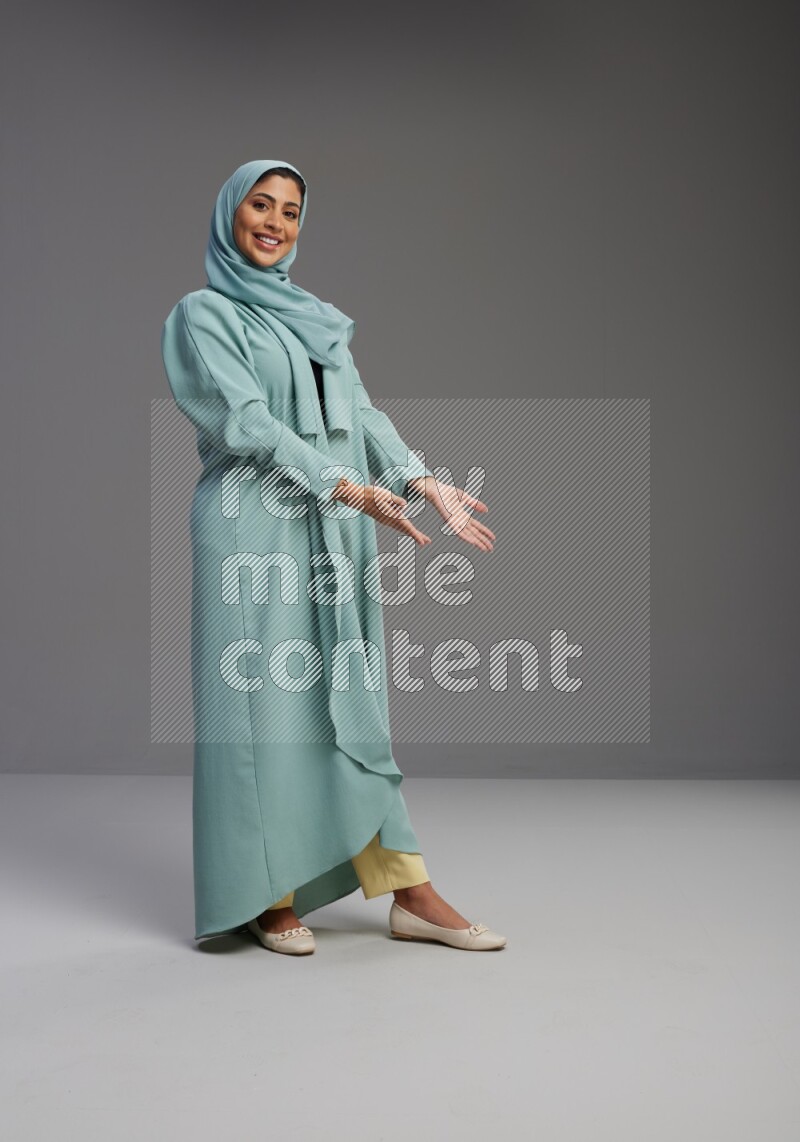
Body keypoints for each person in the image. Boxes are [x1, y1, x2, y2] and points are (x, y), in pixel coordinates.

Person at [161, 159, 506, 954]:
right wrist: (346, 487)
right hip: (254, 526)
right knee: (262, 715)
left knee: (350, 701)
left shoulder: (317, 320)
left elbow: (362, 412)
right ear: (230, 213)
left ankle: (406, 886)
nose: (275, 221)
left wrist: (422, 481)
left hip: (339, 521)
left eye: (290, 210)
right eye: (261, 204)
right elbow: (243, 423)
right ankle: (264, 891)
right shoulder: (203, 314)